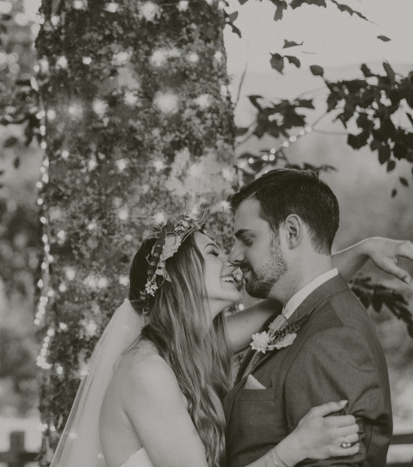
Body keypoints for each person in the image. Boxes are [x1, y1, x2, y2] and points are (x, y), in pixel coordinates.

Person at [49, 210, 412, 466]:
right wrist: (294, 448)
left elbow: (301, 287)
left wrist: (365, 249)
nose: (232, 262)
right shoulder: (147, 371)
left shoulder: (189, 348)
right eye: (213, 253)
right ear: (176, 275)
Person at [224, 168, 400, 467]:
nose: (234, 256)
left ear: (292, 232)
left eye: (247, 239)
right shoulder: (293, 314)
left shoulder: (334, 339)